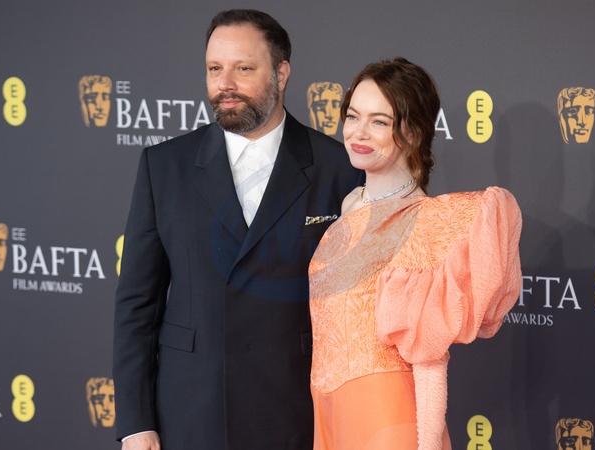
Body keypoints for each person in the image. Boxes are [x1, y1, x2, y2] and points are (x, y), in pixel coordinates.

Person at [112, 9, 361, 450]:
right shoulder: (163, 167)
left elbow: (357, 311)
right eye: (214, 69)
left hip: (298, 413)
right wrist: (136, 422)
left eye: (243, 69)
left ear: (281, 73)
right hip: (191, 411)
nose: (224, 83)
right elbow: (137, 305)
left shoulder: (339, 168)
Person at [308, 57, 522, 450]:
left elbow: (431, 353)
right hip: (330, 413)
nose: (358, 132)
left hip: (386, 418)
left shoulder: (431, 222)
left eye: (379, 121)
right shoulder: (350, 204)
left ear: (414, 131)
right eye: (353, 116)